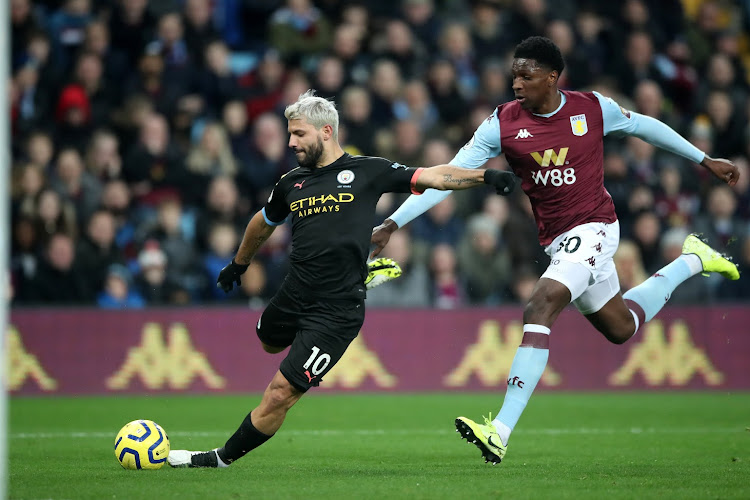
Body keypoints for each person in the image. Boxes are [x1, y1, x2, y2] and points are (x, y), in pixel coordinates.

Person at [370, 36, 741, 465]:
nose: (516, 84)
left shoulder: (592, 108)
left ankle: (500, 430)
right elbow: (448, 175)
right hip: (558, 241)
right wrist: (393, 222)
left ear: (551, 77)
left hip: (597, 227)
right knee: (621, 328)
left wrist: (703, 159)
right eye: (513, 75)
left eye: (526, 76)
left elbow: (647, 127)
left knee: (540, 304)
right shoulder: (501, 124)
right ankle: (693, 259)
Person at [166, 89, 517, 468]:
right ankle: (359, 271)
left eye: (299, 134)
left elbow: (433, 176)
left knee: (281, 392)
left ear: (326, 132)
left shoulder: (368, 171)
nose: (291, 142)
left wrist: (485, 175)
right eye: (290, 134)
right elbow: (262, 222)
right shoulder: (291, 182)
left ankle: (220, 458)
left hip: (336, 313)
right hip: (293, 294)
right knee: (267, 342)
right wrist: (239, 263)